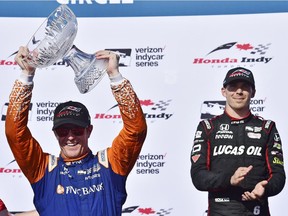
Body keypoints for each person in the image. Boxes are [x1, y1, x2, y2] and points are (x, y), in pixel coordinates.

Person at [5, 46, 147, 216]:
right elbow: (15, 133)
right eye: (63, 131)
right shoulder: (43, 170)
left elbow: (136, 130)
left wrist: (115, 77)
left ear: (89, 131)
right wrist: (26, 75)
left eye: (77, 130)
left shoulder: (111, 164)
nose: (70, 137)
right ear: (55, 134)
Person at [190, 67, 285, 216]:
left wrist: (265, 188)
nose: (239, 92)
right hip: (220, 211)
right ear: (223, 91)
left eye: (245, 87)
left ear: (253, 92)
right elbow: (198, 176)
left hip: (257, 210)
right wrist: (229, 179)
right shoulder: (208, 128)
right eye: (233, 87)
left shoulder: (267, 128)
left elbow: (278, 175)